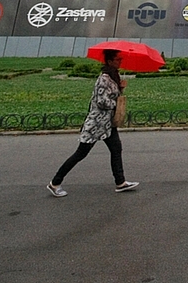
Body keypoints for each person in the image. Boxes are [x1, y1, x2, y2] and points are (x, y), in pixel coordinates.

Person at [47, 49, 140, 196]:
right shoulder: (104, 79)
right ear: (109, 61)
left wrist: (120, 89)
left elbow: (109, 95)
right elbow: (101, 101)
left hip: (107, 124)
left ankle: (120, 182)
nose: (120, 61)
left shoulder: (112, 76)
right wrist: (116, 104)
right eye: (117, 59)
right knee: (80, 153)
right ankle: (55, 182)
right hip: (96, 124)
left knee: (116, 149)